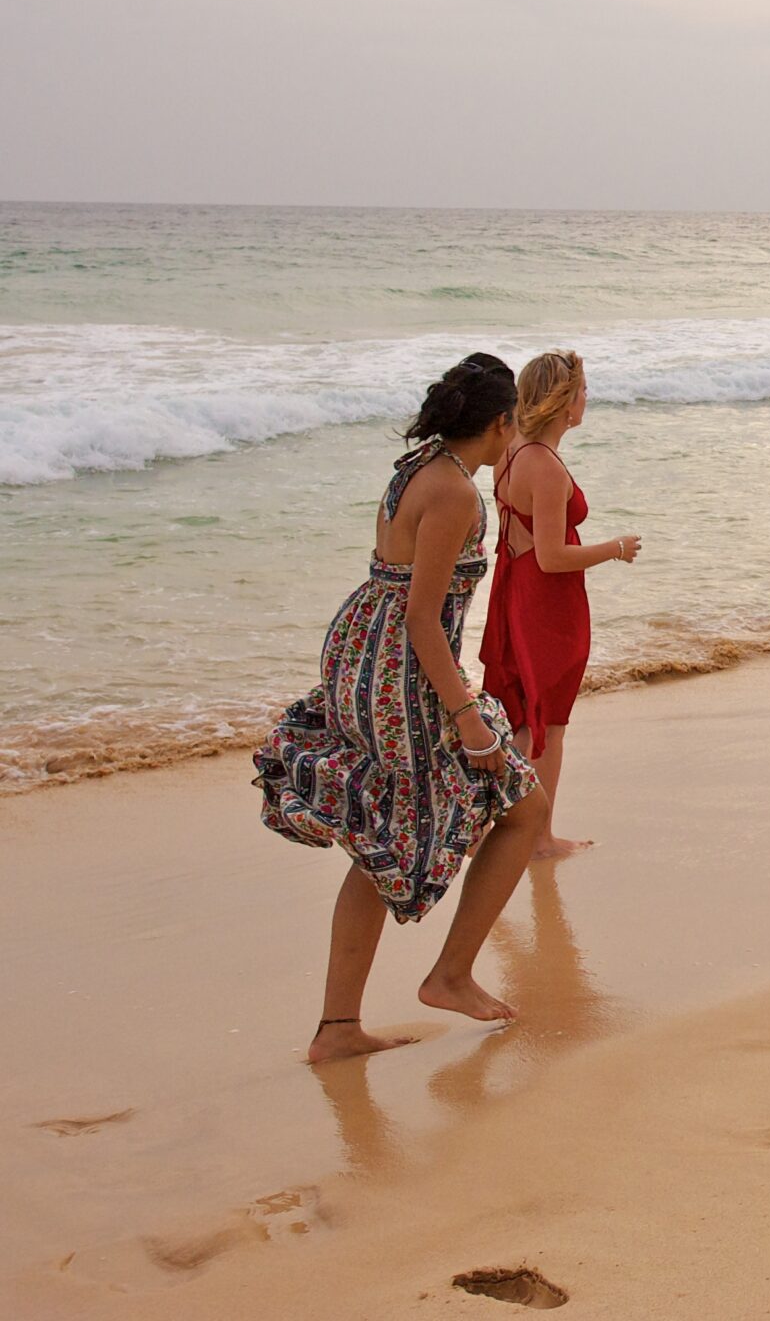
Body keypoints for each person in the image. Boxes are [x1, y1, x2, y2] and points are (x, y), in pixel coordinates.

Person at [252, 354, 548, 1063]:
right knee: (526, 810)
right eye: (516, 425)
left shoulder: (419, 465)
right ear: (502, 423)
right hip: (401, 668)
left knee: (376, 839)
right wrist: (466, 716)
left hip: (363, 648)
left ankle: (338, 1028)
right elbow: (423, 617)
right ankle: (448, 976)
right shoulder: (456, 494)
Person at [480, 350, 640, 860]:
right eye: (583, 390)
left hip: (516, 589)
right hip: (547, 599)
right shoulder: (543, 465)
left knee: (525, 717)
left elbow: (522, 537)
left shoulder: (510, 451)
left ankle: (499, 826)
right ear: (564, 402)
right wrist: (615, 548)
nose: (587, 398)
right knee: (547, 722)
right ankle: (539, 838)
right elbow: (551, 557)